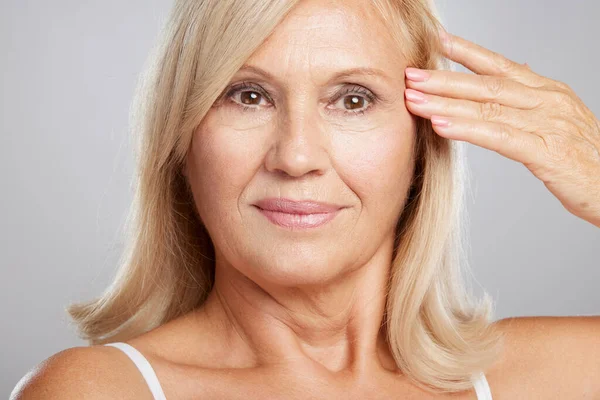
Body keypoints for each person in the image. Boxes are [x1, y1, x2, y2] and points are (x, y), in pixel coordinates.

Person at [11, 0, 600, 398]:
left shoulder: (538, 377)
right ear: (182, 137)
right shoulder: (100, 390)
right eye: (247, 96)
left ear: (422, 143)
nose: (295, 157)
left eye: (352, 100)